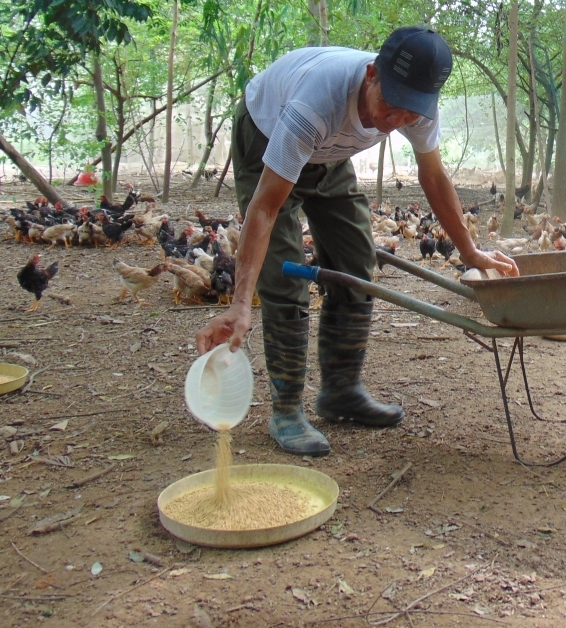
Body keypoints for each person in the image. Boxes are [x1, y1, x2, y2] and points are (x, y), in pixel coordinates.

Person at [195, 26, 519, 456]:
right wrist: (239, 302)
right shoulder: (317, 103)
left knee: (355, 257)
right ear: (371, 74)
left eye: (411, 112)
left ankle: (341, 391)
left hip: (327, 154)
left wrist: (469, 251)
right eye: (391, 104)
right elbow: (266, 209)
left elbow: (434, 177)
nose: (398, 120)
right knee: (285, 272)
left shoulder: (417, 108)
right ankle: (287, 410)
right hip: (267, 136)